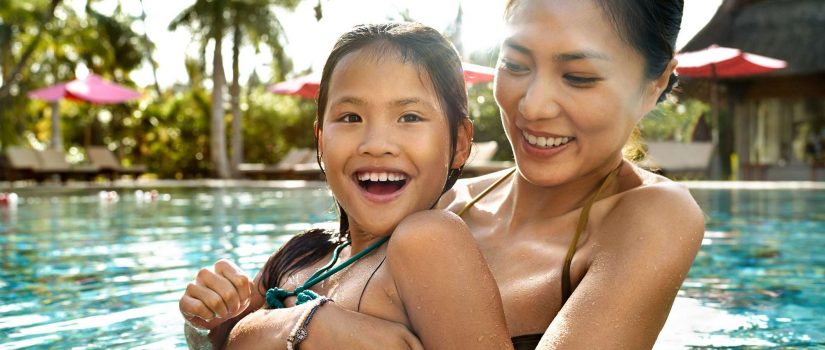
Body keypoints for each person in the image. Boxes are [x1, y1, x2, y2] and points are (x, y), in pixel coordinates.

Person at [187, 0, 705, 349]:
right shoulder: (443, 198)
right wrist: (238, 318)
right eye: (517, 65)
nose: (534, 104)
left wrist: (291, 330)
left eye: (579, 76)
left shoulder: (651, 215)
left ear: (653, 84)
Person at [179, 22, 515, 350]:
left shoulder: (430, 240)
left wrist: (297, 327)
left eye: (410, 117)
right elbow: (222, 341)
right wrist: (208, 318)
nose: (376, 144)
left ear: (459, 143)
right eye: (351, 118)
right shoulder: (301, 253)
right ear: (321, 140)